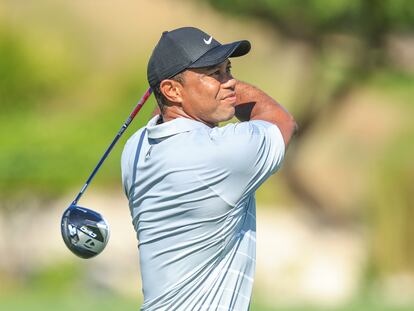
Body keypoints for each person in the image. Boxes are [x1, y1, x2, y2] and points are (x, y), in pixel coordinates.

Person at [121, 27, 297, 311]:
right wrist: (227, 91)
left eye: (228, 69)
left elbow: (162, 116)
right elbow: (282, 122)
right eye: (215, 74)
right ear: (172, 90)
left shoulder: (135, 147)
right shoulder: (219, 152)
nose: (230, 82)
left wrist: (182, 91)